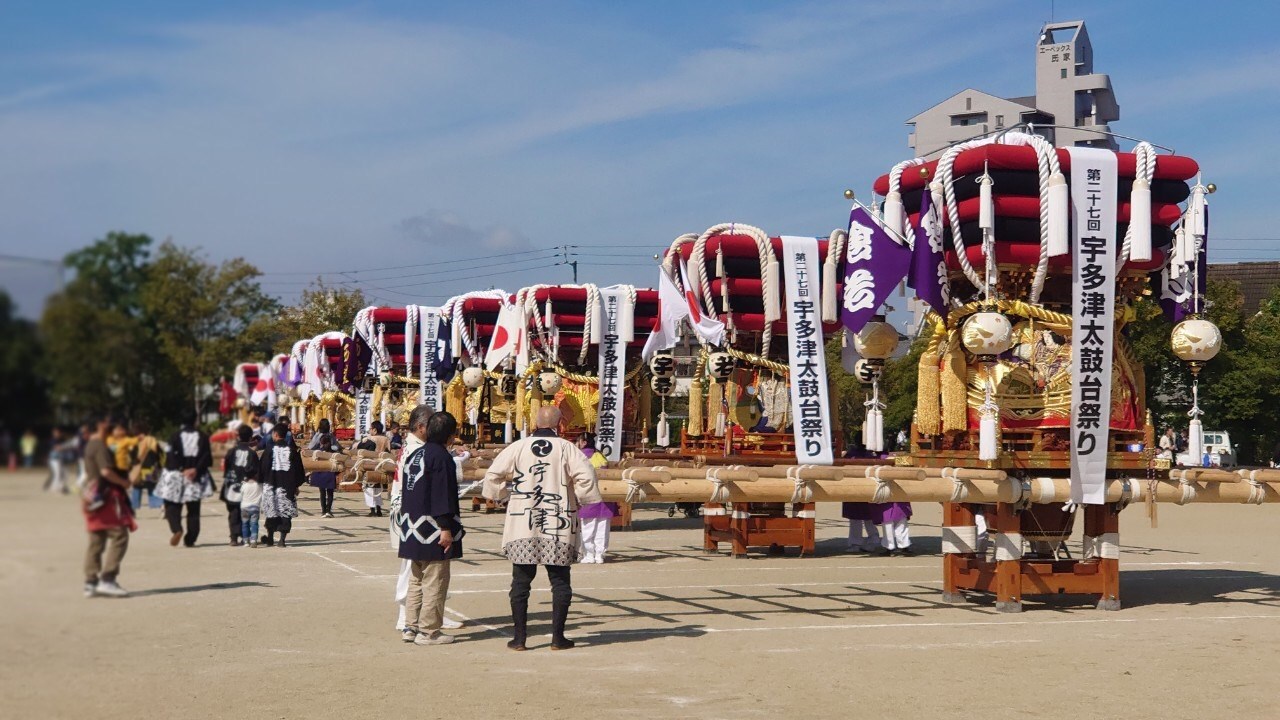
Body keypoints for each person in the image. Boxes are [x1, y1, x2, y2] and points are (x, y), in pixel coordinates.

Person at [482, 406, 602, 651]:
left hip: (522, 523)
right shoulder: (568, 449)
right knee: (560, 582)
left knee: (520, 583)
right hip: (557, 523)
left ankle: (519, 639)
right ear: (560, 426)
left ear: (534, 424)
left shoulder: (518, 447)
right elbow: (586, 478)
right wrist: (581, 498)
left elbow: (492, 476)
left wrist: (505, 497)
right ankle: (557, 639)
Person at [396, 409, 465, 646]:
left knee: (416, 580)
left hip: (411, 527)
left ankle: (410, 626)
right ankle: (429, 631)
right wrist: (445, 527)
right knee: (435, 581)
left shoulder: (416, 454)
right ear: (449, 435)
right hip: (432, 530)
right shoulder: (441, 457)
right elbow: (442, 495)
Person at [82, 416, 136, 597]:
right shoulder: (100, 446)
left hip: (91, 495)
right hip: (104, 496)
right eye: (106, 421)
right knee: (119, 535)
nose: (111, 425)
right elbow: (106, 471)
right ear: (99, 425)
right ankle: (108, 578)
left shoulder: (90, 444)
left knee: (96, 538)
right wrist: (124, 482)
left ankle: (90, 581)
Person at [155, 412, 214, 548]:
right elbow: (206, 456)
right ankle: (190, 538)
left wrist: (181, 468)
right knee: (193, 510)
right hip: (195, 476)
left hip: (177, 474)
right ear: (195, 420)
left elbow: (169, 454)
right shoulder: (203, 437)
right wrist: (195, 469)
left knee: (172, 505)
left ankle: (177, 529)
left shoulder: (175, 436)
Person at [259, 424, 304, 547]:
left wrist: (261, 481)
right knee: (285, 511)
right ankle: (282, 540)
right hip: (287, 487)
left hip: (271, 485)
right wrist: (296, 485)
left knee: (272, 510)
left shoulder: (269, 450)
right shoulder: (292, 451)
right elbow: (299, 471)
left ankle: (270, 538)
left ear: (275, 434)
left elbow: (262, 468)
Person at [575, 432, 616, 564]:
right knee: (602, 529)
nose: (577, 444)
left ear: (584, 443)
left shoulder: (579, 456)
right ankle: (599, 554)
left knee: (588, 528)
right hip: (605, 497)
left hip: (588, 496)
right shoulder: (600, 456)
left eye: (578, 441)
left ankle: (589, 554)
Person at [221, 425, 258, 546]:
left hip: (232, 485)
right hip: (247, 486)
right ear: (250, 437)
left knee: (233, 512)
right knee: (246, 511)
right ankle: (245, 536)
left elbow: (226, 467)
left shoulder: (231, 452)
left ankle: (233, 537)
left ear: (238, 436)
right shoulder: (252, 454)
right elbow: (255, 470)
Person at [308, 419, 341, 518]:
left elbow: (311, 447)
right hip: (330, 464)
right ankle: (328, 510)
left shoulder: (317, 436)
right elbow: (337, 447)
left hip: (320, 464)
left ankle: (324, 510)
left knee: (322, 491)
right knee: (330, 491)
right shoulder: (331, 436)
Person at [128, 422, 164, 510]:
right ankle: (158, 505)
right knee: (152, 487)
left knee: (137, 488)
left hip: (138, 470)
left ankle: (134, 507)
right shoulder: (152, 440)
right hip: (152, 469)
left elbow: (130, 455)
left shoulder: (133, 442)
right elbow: (160, 453)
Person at [358, 421, 391, 517]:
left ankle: (372, 510)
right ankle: (379, 509)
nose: (369, 431)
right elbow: (388, 451)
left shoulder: (370, 439)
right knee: (377, 488)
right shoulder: (386, 439)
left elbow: (362, 449)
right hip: (381, 465)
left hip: (370, 465)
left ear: (375, 430)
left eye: (370, 429)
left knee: (369, 488)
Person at [240, 463, 263, 548]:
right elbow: (262, 496)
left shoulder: (244, 485)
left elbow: (241, 495)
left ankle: (246, 541)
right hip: (255, 507)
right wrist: (263, 507)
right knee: (254, 524)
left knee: (245, 524)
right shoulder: (259, 485)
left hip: (244, 507)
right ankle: (253, 540)